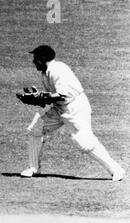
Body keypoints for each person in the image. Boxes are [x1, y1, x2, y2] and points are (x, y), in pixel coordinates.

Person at [20, 45, 125, 181]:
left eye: (36, 58)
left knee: (84, 143)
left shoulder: (57, 70)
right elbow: (54, 97)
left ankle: (116, 170)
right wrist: (39, 98)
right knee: (35, 129)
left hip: (75, 108)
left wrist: (41, 97)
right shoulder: (45, 72)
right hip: (59, 108)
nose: (34, 61)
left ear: (44, 58)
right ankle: (34, 169)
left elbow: (62, 95)